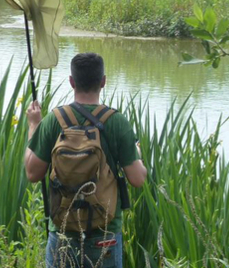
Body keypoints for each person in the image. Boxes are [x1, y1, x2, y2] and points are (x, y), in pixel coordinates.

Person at [24, 52, 147, 268]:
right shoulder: (117, 122)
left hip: (63, 234)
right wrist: (137, 154)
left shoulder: (54, 120)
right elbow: (138, 179)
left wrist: (34, 125)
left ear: (72, 82)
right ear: (103, 82)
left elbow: (32, 173)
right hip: (105, 237)